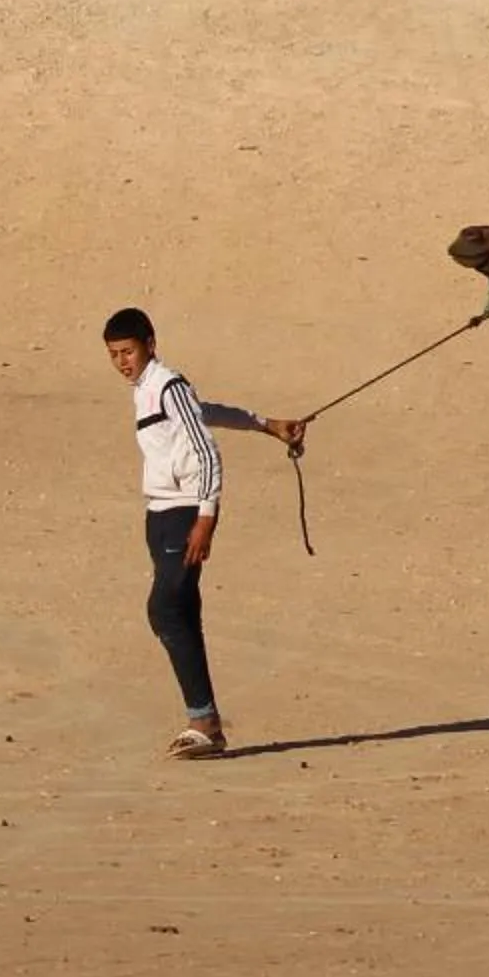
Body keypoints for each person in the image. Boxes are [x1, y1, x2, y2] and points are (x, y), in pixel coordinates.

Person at [102, 308, 304, 759]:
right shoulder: (148, 391)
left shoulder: (167, 383)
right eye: (114, 355)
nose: (122, 362)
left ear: (150, 344)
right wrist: (266, 423)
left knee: (165, 609)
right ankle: (206, 724)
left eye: (128, 352)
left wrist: (206, 517)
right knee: (181, 612)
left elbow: (205, 449)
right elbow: (204, 412)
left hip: (184, 512)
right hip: (160, 516)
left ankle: (203, 721)